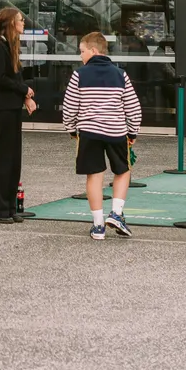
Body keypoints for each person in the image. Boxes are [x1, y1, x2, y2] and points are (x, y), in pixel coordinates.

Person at [62, 31, 142, 239]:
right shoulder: (120, 74)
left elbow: (69, 107)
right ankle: (116, 213)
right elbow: (133, 107)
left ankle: (98, 225)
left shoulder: (79, 74)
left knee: (94, 175)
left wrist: (71, 128)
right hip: (116, 131)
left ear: (93, 50)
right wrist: (132, 131)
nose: (80, 56)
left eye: (82, 51)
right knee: (123, 170)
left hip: (89, 132)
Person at [0, 7, 37, 224]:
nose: (23, 23)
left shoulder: (9, 45)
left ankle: (9, 206)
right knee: (2, 158)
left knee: (13, 159)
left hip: (11, 107)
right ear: (11, 22)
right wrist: (24, 90)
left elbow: (14, 76)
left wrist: (25, 96)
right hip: (2, 109)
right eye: (20, 20)